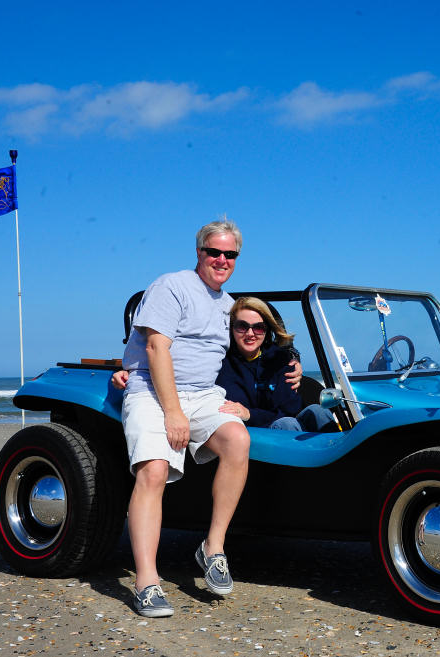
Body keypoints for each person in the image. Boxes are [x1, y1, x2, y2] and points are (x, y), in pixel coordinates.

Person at [119, 219, 299, 618]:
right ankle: (146, 581)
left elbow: (252, 344)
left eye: (229, 254)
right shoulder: (172, 286)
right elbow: (155, 348)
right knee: (154, 469)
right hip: (153, 388)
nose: (221, 260)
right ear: (199, 252)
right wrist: (173, 412)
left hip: (203, 394)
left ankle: (213, 547)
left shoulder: (227, 306)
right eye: (213, 252)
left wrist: (294, 363)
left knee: (237, 440)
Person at [217, 296, 337, 433]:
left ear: (266, 330)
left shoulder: (281, 359)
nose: (250, 333)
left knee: (318, 412)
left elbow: (289, 409)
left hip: (278, 423)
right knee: (287, 424)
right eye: (242, 326)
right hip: (249, 431)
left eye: (258, 327)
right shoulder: (221, 363)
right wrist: (250, 415)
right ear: (232, 328)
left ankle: (337, 447)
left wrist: (250, 413)